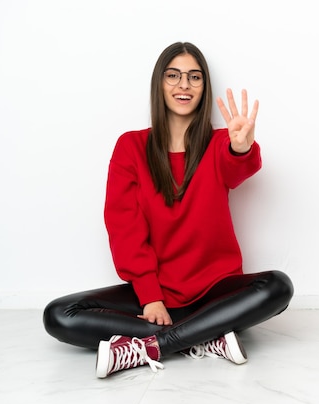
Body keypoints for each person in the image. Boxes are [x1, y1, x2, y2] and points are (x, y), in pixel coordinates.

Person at [43, 41, 294, 378]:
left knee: (278, 286)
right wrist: (149, 296)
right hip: (156, 293)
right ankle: (205, 336)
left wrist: (241, 147)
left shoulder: (219, 143)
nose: (184, 85)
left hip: (214, 293)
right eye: (173, 75)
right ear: (159, 83)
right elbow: (123, 226)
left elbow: (238, 169)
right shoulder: (130, 146)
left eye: (194, 77)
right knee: (59, 314)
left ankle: (153, 346)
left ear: (204, 87)